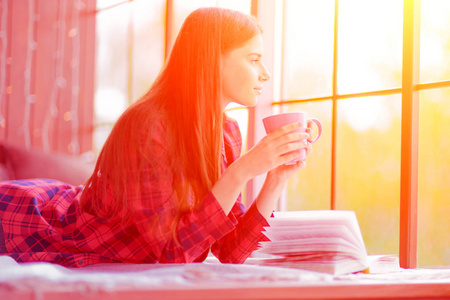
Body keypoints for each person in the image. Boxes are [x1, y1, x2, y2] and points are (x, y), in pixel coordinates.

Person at [0, 7, 312, 267]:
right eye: (253, 58)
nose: (265, 73)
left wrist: (276, 177)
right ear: (212, 59)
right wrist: (242, 171)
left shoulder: (227, 133)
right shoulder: (148, 125)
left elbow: (231, 251)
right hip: (26, 222)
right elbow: (169, 255)